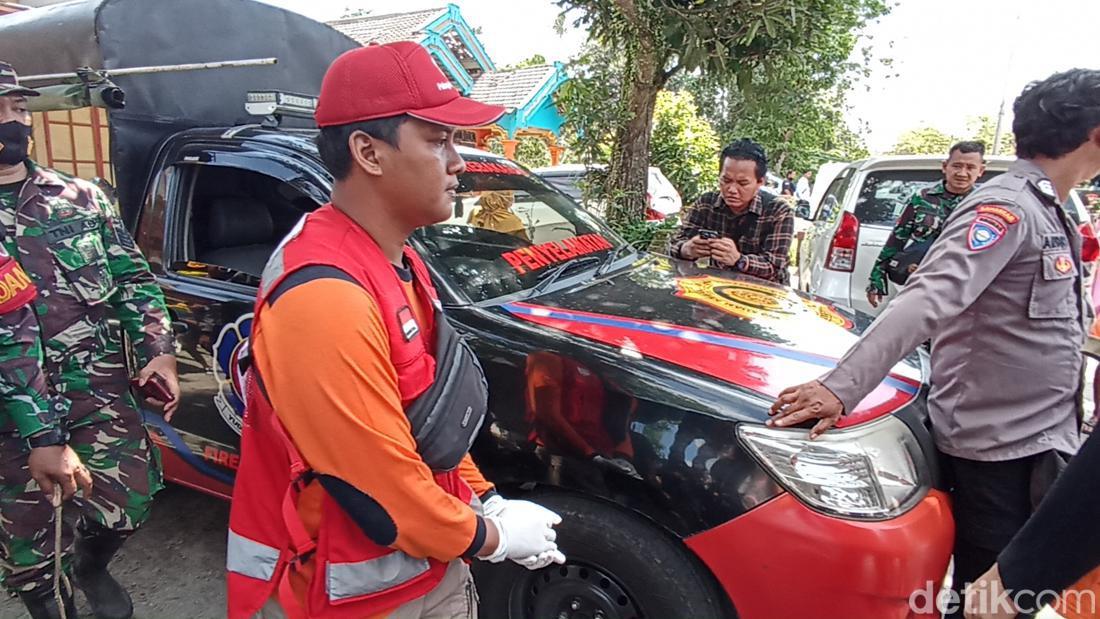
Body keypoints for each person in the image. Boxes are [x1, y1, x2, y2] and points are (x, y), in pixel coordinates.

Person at [226, 42, 565, 619]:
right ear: (368, 152)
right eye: (437, 141)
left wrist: (487, 499)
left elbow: (425, 421)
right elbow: (384, 494)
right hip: (343, 596)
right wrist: (494, 538)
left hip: (417, 573)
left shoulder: (397, 262)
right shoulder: (325, 297)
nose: (459, 161)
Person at [767, 68, 1100, 619]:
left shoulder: (1052, 209)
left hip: (1039, 439)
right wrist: (841, 386)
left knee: (1008, 599)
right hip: (996, 452)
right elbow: (926, 299)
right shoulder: (1007, 208)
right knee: (988, 601)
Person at [0, 61, 179, 619]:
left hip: (97, 393)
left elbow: (130, 278)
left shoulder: (80, 196)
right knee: (32, 545)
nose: (13, 123)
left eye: (20, 109)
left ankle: (91, 565)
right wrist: (41, 437)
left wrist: (159, 352)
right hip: (12, 417)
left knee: (131, 502)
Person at [866, 141, 987, 307]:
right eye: (957, 166)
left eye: (970, 167)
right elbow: (897, 239)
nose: (962, 173)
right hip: (916, 281)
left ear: (980, 171)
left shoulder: (983, 204)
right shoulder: (922, 198)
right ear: (945, 167)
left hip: (958, 288)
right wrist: (876, 280)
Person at [668, 139, 795, 285]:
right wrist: (686, 249)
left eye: (743, 183)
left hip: (763, 294)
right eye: (726, 180)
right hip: (716, 287)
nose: (732, 190)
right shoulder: (706, 204)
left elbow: (775, 267)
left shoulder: (778, 211)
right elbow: (674, 244)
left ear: (760, 182)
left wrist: (739, 260)